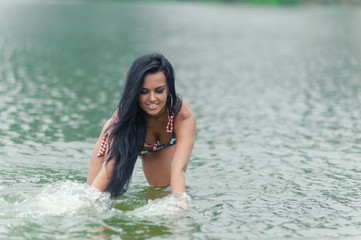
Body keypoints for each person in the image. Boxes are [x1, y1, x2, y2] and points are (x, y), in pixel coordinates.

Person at [86, 53, 196, 200]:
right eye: (143, 92)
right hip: (115, 147)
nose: (152, 99)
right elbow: (110, 168)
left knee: (163, 193)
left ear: (168, 88)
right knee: (97, 198)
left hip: (159, 148)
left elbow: (178, 170)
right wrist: (84, 203)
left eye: (159, 90)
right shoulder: (122, 118)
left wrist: (181, 206)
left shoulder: (182, 115)